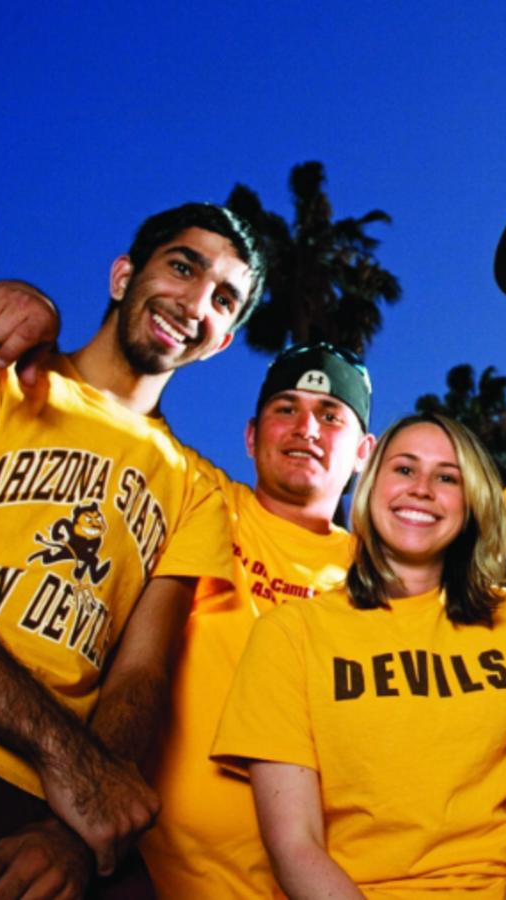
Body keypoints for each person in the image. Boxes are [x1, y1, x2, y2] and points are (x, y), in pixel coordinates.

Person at [0, 202, 265, 899]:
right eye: (183, 266)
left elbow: (141, 673)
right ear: (122, 275)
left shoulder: (198, 490)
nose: (196, 300)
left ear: (221, 340)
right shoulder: (7, 376)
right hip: (65, 766)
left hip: (48, 798)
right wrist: (72, 762)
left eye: (224, 299)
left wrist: (75, 832)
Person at [211, 414, 506, 900]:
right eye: (404, 469)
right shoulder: (288, 635)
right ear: (370, 487)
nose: (423, 489)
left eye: (447, 477)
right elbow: (293, 843)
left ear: (471, 502)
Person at [136, 343, 375, 899]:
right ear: (250, 436)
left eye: (331, 415)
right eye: (285, 408)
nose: (305, 428)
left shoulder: (387, 574)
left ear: (363, 451)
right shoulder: (203, 499)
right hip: (147, 873)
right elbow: (120, 412)